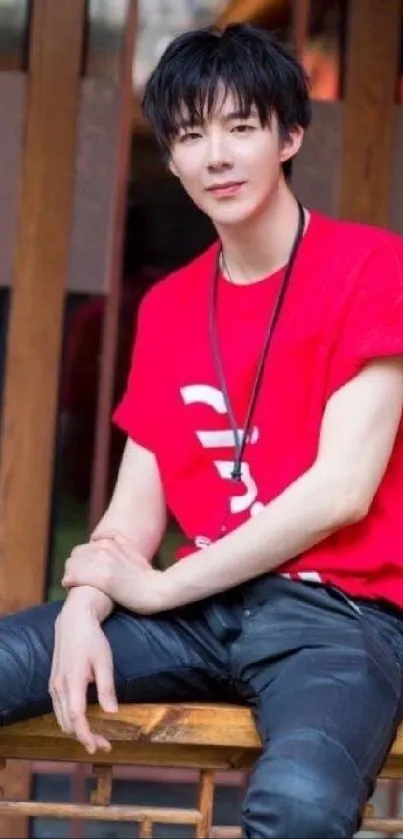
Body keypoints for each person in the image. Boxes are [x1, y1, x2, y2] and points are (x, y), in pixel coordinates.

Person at [1, 23, 403, 838]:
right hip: (199, 613)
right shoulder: (169, 306)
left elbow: (341, 490)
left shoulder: (375, 269)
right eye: (189, 134)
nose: (214, 155)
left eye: (239, 126)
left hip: (341, 616)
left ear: (289, 134)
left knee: (298, 804)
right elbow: (130, 517)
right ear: (172, 158)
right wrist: (85, 603)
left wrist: (156, 587)